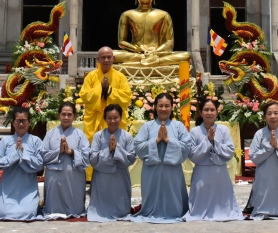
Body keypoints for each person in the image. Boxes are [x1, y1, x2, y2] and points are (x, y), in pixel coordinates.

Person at [131, 92, 192, 223]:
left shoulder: (178, 126)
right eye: (160, 106)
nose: (163, 109)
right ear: (155, 107)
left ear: (172, 107)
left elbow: (187, 146)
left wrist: (169, 140)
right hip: (152, 170)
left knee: (173, 194)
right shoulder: (148, 126)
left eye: (167, 106)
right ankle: (151, 210)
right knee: (152, 193)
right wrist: (157, 140)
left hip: (172, 171)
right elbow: (138, 146)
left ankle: (175, 211)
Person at [184, 97, 243, 221]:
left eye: (212, 110)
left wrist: (214, 142)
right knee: (201, 202)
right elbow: (192, 154)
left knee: (221, 201)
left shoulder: (223, 130)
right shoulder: (194, 132)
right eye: (206, 110)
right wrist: (207, 141)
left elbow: (230, 151)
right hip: (202, 173)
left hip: (219, 173)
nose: (209, 113)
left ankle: (223, 211)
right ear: (200, 113)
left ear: (217, 112)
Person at [0, 106, 45, 221]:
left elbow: (40, 164)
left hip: (27, 188)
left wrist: (23, 154)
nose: (21, 124)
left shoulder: (36, 141)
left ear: (29, 122)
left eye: (24, 121)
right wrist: (15, 155)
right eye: (18, 121)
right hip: (8, 187)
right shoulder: (5, 141)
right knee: (3, 212)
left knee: (28, 212)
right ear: (13, 123)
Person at [87, 104, 137, 222]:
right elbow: (93, 158)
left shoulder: (127, 136)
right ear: (105, 119)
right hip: (102, 177)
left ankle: (121, 211)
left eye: (116, 117)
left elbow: (131, 158)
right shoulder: (98, 136)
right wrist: (108, 150)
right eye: (109, 118)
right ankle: (100, 211)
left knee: (120, 205)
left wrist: (117, 149)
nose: (112, 121)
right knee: (101, 207)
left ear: (121, 117)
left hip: (120, 176)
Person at [40, 101, 90, 218]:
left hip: (74, 177)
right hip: (54, 176)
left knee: (75, 209)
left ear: (74, 116)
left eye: (69, 114)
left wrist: (71, 152)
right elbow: (42, 156)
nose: (66, 117)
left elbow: (86, 157)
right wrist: (58, 152)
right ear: (58, 115)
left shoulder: (80, 135)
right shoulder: (50, 134)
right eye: (63, 114)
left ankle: (75, 209)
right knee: (53, 210)